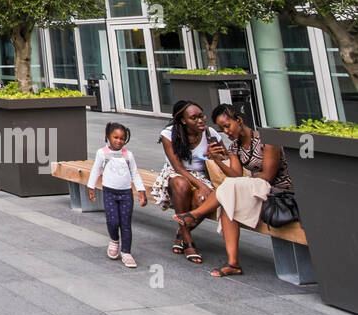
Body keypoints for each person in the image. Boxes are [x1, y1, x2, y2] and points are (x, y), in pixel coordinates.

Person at [174, 104, 296, 278]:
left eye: (227, 125)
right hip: (256, 191)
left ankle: (194, 214)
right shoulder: (235, 147)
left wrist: (242, 182)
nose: (226, 132)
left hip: (278, 192)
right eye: (222, 128)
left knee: (230, 188)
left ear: (239, 120)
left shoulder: (268, 140)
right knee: (228, 203)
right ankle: (233, 264)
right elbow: (236, 175)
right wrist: (217, 160)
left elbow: (268, 175)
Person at [151, 100, 215, 264]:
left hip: (202, 175)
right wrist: (200, 186)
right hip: (175, 173)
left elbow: (224, 161)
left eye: (202, 116)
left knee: (205, 200)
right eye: (194, 118)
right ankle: (187, 240)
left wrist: (219, 156)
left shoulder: (211, 134)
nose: (200, 120)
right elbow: (178, 168)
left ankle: (181, 231)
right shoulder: (169, 134)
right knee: (182, 184)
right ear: (183, 120)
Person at [87, 122, 147, 268]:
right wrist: (91, 186)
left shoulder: (128, 155)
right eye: (116, 137)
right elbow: (96, 170)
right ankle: (114, 240)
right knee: (113, 221)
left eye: (122, 138)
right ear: (108, 137)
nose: (119, 141)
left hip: (126, 194)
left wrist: (141, 191)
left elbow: (134, 173)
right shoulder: (103, 153)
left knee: (126, 224)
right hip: (109, 193)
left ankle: (126, 252)